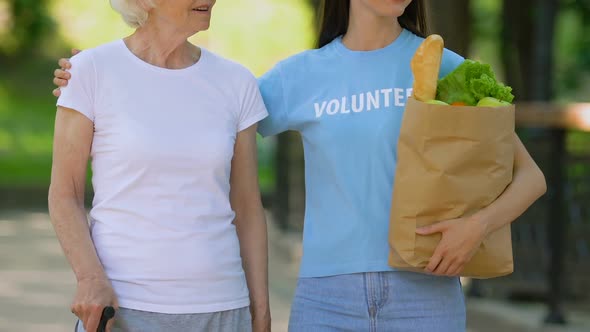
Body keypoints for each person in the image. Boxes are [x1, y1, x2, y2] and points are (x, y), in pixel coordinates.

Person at [54, 1, 547, 330]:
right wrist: (94, 79)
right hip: (326, 299)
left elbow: (529, 176)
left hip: (426, 292)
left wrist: (475, 227)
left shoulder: (442, 65)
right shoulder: (299, 77)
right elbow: (196, 108)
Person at [48, 0, 270, 331]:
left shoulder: (236, 81)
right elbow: (66, 193)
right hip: (122, 310)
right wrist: (89, 278)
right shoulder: (89, 71)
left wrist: (261, 314)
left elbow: (248, 208)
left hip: (223, 309)